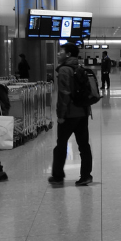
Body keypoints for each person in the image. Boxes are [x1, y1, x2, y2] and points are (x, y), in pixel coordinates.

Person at [49, 43, 93, 186]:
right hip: (83, 111)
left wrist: (60, 115)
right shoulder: (79, 67)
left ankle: (57, 175)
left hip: (69, 113)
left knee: (61, 145)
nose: (58, 54)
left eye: (60, 51)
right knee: (84, 145)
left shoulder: (64, 70)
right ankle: (86, 176)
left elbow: (64, 94)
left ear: (67, 54)